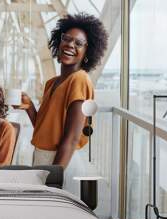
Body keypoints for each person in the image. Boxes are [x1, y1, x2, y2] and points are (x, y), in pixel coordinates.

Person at [15, 13, 108, 191]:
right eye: (67, 39)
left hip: (62, 161)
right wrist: (29, 107)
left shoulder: (79, 80)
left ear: (87, 51)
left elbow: (72, 138)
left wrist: (54, 177)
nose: (70, 45)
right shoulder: (52, 82)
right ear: (59, 41)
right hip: (42, 158)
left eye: (79, 43)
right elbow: (45, 129)